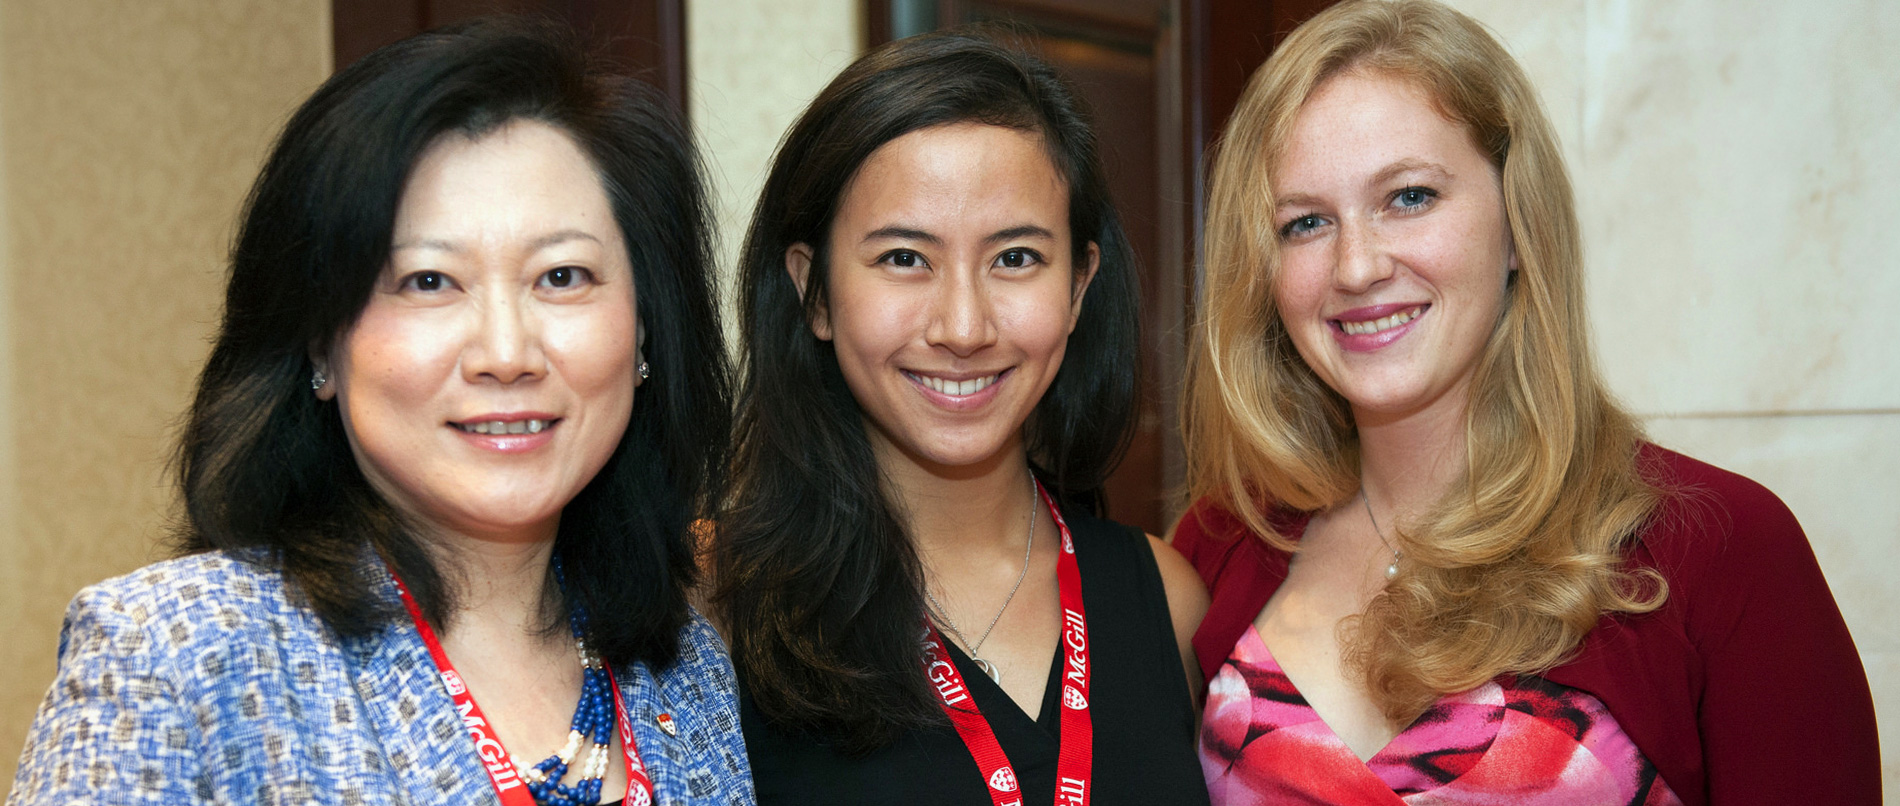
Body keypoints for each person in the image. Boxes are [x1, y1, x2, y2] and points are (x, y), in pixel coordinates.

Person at [9, 20, 752, 806]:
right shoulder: (175, 653)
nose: (507, 352)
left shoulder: (686, 669)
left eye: (562, 276)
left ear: (645, 332)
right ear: (321, 345)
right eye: (429, 281)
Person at [1172, 1, 1879, 804]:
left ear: (1516, 225)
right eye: (1304, 223)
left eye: (1408, 197)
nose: (1357, 266)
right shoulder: (1218, 544)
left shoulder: (1724, 550)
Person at [709, 28, 1211, 805]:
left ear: (1079, 287)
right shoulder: (715, 609)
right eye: (904, 258)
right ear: (815, 292)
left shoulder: (1167, 600)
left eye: (1015, 258)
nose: (964, 328)